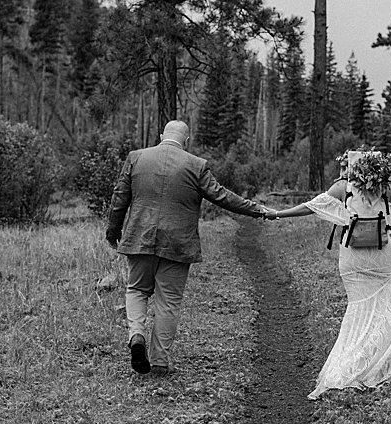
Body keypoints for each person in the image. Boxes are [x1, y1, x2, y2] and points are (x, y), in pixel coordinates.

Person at [266, 149, 391, 399]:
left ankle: (349, 363)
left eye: (345, 166)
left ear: (352, 167)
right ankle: (375, 355)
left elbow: (311, 207)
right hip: (381, 256)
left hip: (352, 260)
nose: (343, 171)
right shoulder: (385, 190)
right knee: (380, 307)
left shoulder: (343, 189)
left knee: (356, 308)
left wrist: (278, 213)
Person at [106, 119, 270, 375]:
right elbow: (223, 196)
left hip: (139, 237)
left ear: (162, 135)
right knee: (168, 301)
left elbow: (119, 198)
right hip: (177, 244)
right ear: (187, 140)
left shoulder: (136, 158)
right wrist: (257, 209)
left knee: (137, 289)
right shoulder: (196, 165)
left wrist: (113, 231)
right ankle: (159, 362)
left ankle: (136, 334)